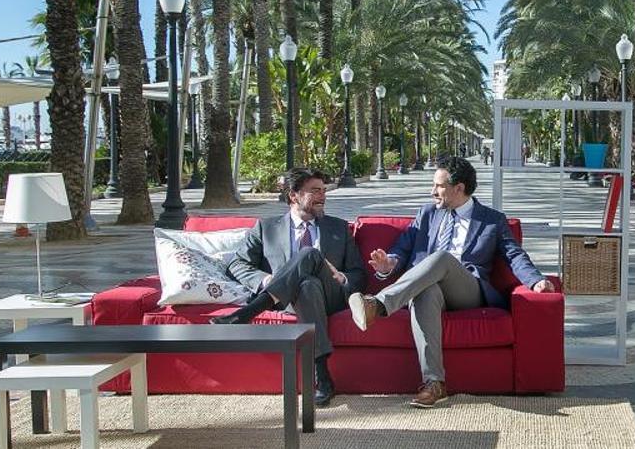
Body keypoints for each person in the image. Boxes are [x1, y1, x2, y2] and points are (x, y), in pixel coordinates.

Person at [346, 156, 554, 408]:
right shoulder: (427, 214)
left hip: (467, 290)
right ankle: (435, 383)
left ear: (459, 188)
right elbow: (402, 248)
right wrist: (388, 263)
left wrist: (536, 281)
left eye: (439, 186)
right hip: (428, 288)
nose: (432, 191)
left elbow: (514, 254)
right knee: (426, 291)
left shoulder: (492, 220)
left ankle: (378, 305)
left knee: (442, 258)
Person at [215, 168, 367, 407]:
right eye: (315, 191)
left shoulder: (338, 228)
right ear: (294, 195)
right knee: (307, 286)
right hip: (290, 300)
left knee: (309, 254)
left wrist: (342, 279)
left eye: (324, 190)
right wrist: (265, 280)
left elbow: (359, 274)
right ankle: (322, 377)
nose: (323, 196)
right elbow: (237, 263)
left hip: (332, 296)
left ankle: (249, 311)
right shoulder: (266, 228)